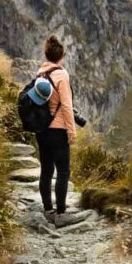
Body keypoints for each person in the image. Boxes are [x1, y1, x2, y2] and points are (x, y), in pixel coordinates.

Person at [34, 35, 84, 227]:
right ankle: (61, 213)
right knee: (63, 171)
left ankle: (48, 210)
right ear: (61, 56)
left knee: (46, 170)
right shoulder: (61, 75)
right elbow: (67, 106)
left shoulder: (41, 73)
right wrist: (71, 132)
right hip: (58, 129)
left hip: (42, 129)